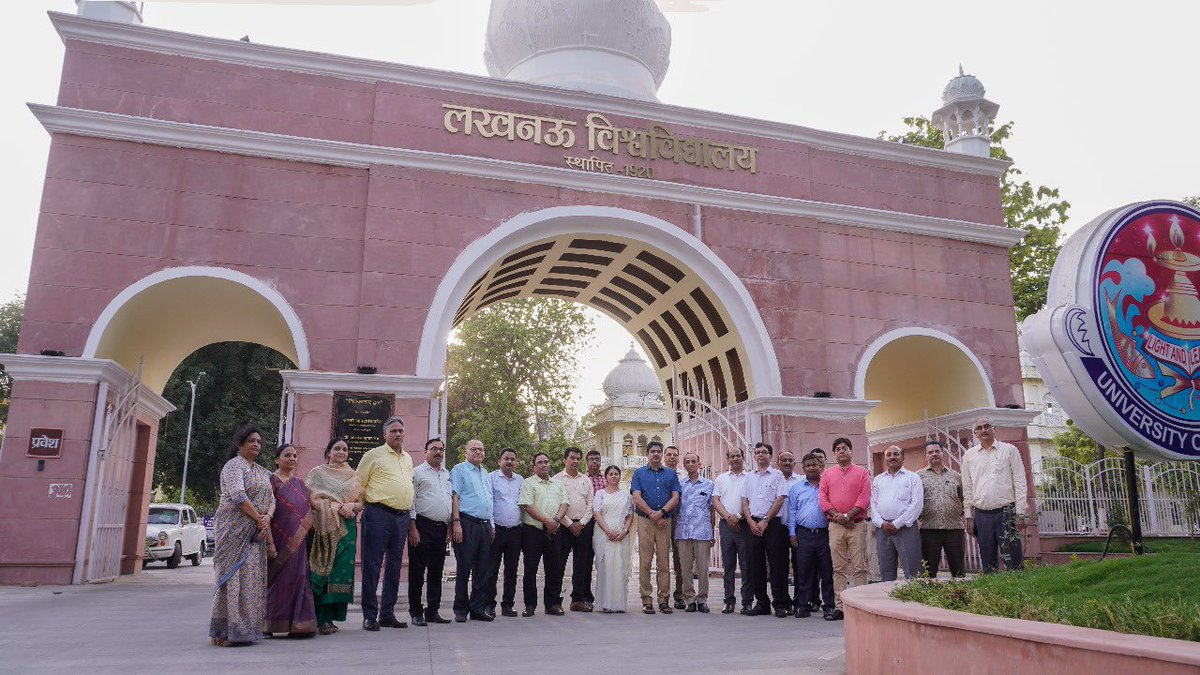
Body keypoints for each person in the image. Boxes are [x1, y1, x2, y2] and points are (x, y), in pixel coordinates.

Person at [210, 425, 275, 647]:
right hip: (233, 530)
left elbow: (273, 498)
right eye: (251, 441)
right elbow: (238, 495)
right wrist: (259, 518)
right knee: (232, 578)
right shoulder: (233, 466)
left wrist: (266, 518)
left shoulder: (262, 471)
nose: (256, 444)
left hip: (256, 533)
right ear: (240, 444)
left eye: (259, 441)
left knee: (250, 580)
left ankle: (246, 630)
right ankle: (225, 632)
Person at [356, 416, 415, 632]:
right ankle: (370, 616)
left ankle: (387, 615)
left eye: (401, 430)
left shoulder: (407, 458)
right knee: (372, 566)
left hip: (401, 518)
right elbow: (358, 484)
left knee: (394, 567)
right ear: (385, 434)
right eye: (394, 431)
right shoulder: (373, 455)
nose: (398, 434)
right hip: (378, 514)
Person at [306, 437, 363, 635]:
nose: (341, 452)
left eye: (345, 449)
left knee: (340, 572)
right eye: (337, 448)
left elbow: (361, 502)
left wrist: (351, 506)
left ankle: (331, 617)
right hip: (324, 527)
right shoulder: (317, 474)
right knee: (324, 571)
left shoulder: (354, 476)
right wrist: (334, 506)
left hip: (346, 528)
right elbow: (312, 499)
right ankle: (320, 618)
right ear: (328, 452)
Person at [962, 417, 1028, 573]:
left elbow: (1020, 482)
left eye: (987, 426)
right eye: (979, 428)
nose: (983, 430)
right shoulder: (969, 456)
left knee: (1013, 558)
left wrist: (1020, 513)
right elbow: (967, 487)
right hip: (982, 515)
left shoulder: (1009, 450)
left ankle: (1018, 589)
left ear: (994, 429)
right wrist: (969, 516)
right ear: (975, 433)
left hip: (1006, 512)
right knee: (987, 559)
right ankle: (993, 591)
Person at [264, 444, 317, 637]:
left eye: (295, 455)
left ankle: (299, 626)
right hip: (276, 540)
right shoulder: (269, 482)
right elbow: (264, 513)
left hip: (299, 542)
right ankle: (269, 625)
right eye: (287, 455)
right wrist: (269, 542)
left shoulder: (301, 484)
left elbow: (309, 510)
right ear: (277, 459)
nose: (292, 459)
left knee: (299, 579)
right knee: (278, 582)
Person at [818, 437, 870, 621]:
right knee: (838, 568)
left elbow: (864, 498)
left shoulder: (862, 472)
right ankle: (840, 607)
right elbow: (823, 498)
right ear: (834, 454)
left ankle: (861, 606)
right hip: (835, 527)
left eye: (845, 448)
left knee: (859, 567)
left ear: (851, 451)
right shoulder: (827, 474)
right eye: (838, 449)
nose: (841, 451)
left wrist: (848, 516)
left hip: (856, 525)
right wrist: (839, 517)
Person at [631, 441, 681, 614]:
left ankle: (664, 599)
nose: (656, 454)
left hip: (664, 522)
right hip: (645, 521)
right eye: (652, 451)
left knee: (664, 562)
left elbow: (675, 497)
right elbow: (636, 497)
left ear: (662, 455)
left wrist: (662, 512)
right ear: (647, 454)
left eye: (659, 451)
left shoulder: (670, 474)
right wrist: (652, 514)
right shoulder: (638, 473)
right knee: (645, 561)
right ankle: (646, 599)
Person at [741, 442, 790, 617]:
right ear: (754, 456)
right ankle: (761, 603)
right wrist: (750, 521)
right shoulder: (748, 477)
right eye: (758, 452)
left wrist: (766, 520)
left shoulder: (777, 476)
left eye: (764, 452)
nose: (761, 455)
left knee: (778, 565)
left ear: (770, 456)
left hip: (772, 524)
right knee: (755, 565)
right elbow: (745, 501)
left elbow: (780, 499)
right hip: (753, 525)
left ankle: (780, 604)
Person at [517, 452, 569, 617]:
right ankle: (530, 605)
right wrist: (547, 522)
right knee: (530, 569)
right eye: (540, 462)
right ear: (534, 466)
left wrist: (555, 520)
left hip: (554, 531)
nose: (544, 465)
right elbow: (528, 506)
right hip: (533, 531)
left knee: (554, 569)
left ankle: (552, 604)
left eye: (546, 462)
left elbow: (564, 503)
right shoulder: (528, 483)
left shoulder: (558, 484)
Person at [407, 438, 452, 627]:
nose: (438, 452)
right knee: (417, 571)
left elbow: (448, 500)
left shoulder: (446, 474)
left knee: (436, 571)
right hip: (422, 527)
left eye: (441, 449)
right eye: (434, 449)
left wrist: (449, 525)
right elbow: (411, 501)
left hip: (441, 529)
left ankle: (432, 611)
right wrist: (412, 527)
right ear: (425, 452)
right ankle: (416, 612)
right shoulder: (417, 473)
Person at [451, 439, 494, 622]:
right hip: (466, 523)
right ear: (466, 452)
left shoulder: (485, 473)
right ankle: (461, 609)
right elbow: (455, 496)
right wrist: (456, 523)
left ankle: (478, 608)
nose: (478, 452)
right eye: (474, 449)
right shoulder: (459, 470)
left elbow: (488, 500)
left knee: (482, 569)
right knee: (464, 567)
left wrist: (491, 524)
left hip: (484, 525)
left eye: (481, 450)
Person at [788, 452, 835, 619]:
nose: (811, 468)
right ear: (803, 468)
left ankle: (829, 606)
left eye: (814, 465)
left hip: (825, 534)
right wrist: (792, 533)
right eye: (808, 465)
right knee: (804, 571)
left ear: (820, 466)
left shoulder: (828, 485)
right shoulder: (796, 488)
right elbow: (792, 511)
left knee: (827, 571)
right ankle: (803, 605)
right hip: (803, 534)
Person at [870, 446, 924, 582]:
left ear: (903, 457)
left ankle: (914, 600)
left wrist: (896, 524)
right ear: (885, 458)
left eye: (896, 454)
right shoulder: (878, 480)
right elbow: (873, 504)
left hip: (906, 528)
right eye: (888, 455)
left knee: (913, 570)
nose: (892, 457)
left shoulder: (913, 478)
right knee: (886, 570)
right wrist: (882, 523)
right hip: (883, 530)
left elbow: (916, 505)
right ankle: (888, 601)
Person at [553, 447, 596, 612]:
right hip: (564, 527)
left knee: (582, 565)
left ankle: (577, 600)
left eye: (578, 458)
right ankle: (555, 601)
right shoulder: (556, 479)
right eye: (572, 458)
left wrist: (582, 523)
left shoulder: (586, 480)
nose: (575, 461)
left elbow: (591, 504)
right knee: (559, 563)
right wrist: (570, 524)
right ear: (565, 460)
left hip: (583, 526)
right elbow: (557, 505)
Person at [917, 440, 966, 578]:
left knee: (958, 571)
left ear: (943, 453)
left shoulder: (956, 476)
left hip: (954, 529)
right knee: (928, 572)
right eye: (930, 452)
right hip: (929, 529)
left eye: (937, 451)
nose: (934, 454)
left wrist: (955, 512)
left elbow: (963, 499)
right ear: (925, 456)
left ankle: (959, 597)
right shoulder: (918, 477)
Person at [675, 451, 715, 613]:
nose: (690, 464)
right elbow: (676, 508)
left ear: (699, 464)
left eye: (693, 461)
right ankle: (690, 599)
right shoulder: (680, 485)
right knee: (685, 568)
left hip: (702, 531)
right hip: (684, 531)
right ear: (684, 465)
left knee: (703, 567)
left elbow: (712, 510)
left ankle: (702, 599)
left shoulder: (709, 485)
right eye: (687, 461)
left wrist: (712, 532)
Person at [713, 447, 751, 614]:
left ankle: (747, 601)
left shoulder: (750, 478)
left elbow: (752, 500)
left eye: (738, 456)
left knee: (746, 565)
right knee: (728, 566)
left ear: (743, 458)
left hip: (744, 525)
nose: (735, 459)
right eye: (732, 456)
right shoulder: (721, 478)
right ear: (727, 459)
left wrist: (738, 516)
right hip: (726, 525)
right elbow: (716, 500)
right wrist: (729, 517)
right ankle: (728, 601)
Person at [486, 448, 523, 617]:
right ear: (499, 461)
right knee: (492, 569)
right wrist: (491, 526)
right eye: (506, 459)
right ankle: (489, 604)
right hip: (496, 530)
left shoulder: (520, 480)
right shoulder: (491, 479)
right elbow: (489, 503)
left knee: (511, 570)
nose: (509, 462)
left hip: (515, 531)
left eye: (512, 459)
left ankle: (508, 605)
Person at [592, 465, 634, 613]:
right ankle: (605, 603)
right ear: (606, 477)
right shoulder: (600, 494)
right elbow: (597, 513)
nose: (614, 476)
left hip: (621, 536)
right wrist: (608, 531)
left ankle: (618, 604)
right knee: (605, 567)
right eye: (611, 474)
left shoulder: (626, 496)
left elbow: (629, 515)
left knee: (619, 568)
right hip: (603, 534)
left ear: (619, 477)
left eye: (616, 474)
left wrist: (624, 531)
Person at [775, 449, 803, 614]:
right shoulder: (774, 479)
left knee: (800, 566)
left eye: (790, 460)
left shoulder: (801, 481)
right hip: (778, 528)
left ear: (794, 463)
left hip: (798, 528)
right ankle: (783, 602)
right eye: (783, 460)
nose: (786, 463)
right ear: (778, 463)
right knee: (780, 567)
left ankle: (800, 600)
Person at [664, 445, 687, 610]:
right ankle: (662, 596)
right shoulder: (659, 474)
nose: (672, 457)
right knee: (662, 558)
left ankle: (680, 595)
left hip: (680, 519)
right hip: (663, 518)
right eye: (669, 455)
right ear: (664, 457)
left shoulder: (685, 476)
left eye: (675, 455)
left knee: (680, 558)